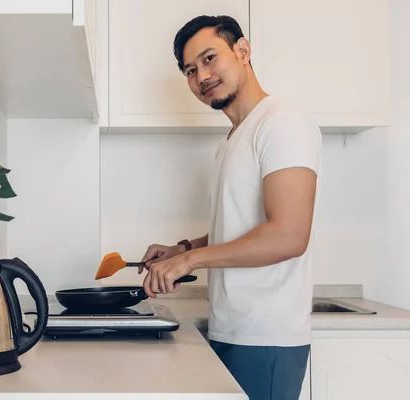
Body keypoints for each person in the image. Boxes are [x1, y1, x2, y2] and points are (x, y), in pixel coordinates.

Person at [138, 15, 322, 400]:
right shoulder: (235, 138)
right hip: (233, 330)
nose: (201, 76)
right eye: (190, 70)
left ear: (242, 50)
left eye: (209, 58)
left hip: (266, 337)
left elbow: (288, 235)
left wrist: (190, 263)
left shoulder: (282, 122)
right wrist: (184, 249)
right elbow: (242, 223)